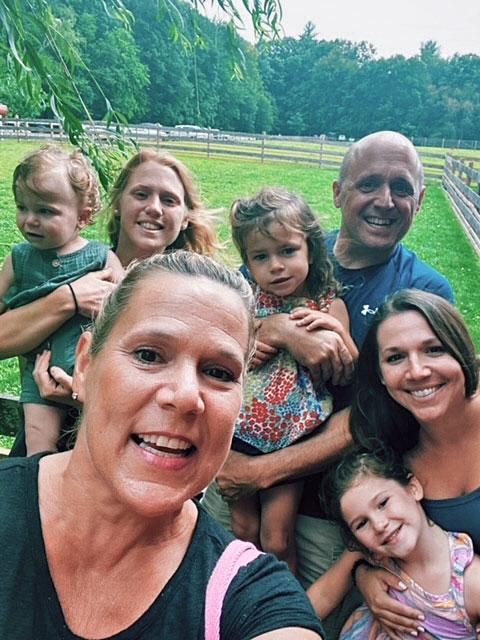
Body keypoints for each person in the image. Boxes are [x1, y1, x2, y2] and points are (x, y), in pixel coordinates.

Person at [201, 130, 455, 637]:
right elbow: (210, 348)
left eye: (402, 187)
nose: (385, 200)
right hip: (231, 475)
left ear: (420, 200)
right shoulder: (280, 254)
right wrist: (272, 329)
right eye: (369, 184)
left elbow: (381, 411)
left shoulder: (422, 290)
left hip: (333, 519)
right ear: (338, 192)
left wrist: (262, 473)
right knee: (213, 602)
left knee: (292, 621)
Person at [0, 251, 324, 639]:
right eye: (149, 355)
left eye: (219, 372)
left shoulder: (250, 601)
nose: (187, 396)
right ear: (84, 367)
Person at [6, 149, 218, 455]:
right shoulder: (69, 263)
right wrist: (69, 298)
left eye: (169, 200)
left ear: (185, 218)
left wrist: (83, 396)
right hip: (41, 441)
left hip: (134, 452)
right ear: (117, 205)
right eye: (141, 194)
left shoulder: (192, 298)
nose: (154, 208)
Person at [227, 187, 358, 572]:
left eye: (287, 251)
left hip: (291, 435)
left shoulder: (328, 303)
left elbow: (349, 368)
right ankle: (243, 598)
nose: (276, 266)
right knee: (242, 526)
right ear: (247, 263)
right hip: (240, 431)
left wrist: (336, 333)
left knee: (277, 537)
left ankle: (285, 609)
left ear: (310, 250)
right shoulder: (245, 303)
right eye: (261, 257)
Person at [346, 288, 480, 638]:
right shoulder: (392, 455)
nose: (417, 371)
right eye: (395, 358)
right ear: (379, 375)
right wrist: (366, 576)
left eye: (434, 349)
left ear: (461, 350)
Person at [0, 145, 124, 455]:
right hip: (40, 373)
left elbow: (128, 308)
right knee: (38, 445)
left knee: (94, 449)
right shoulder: (19, 259)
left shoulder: (100, 257)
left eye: (45, 211)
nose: (30, 220)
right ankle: (38, 497)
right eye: (22, 207)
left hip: (94, 377)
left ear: (82, 218)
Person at [307, 448, 480, 638]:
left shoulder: (469, 580)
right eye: (362, 523)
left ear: (413, 488)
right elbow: (321, 597)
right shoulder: (374, 553)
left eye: (383, 503)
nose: (379, 525)